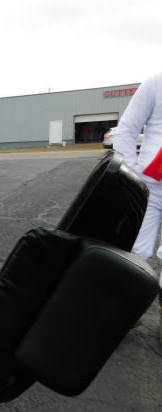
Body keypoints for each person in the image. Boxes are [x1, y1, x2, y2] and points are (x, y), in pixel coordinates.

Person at [113, 71, 162, 343]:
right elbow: (126, 130)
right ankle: (124, 311)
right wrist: (133, 175)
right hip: (150, 186)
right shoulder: (156, 83)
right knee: (135, 251)